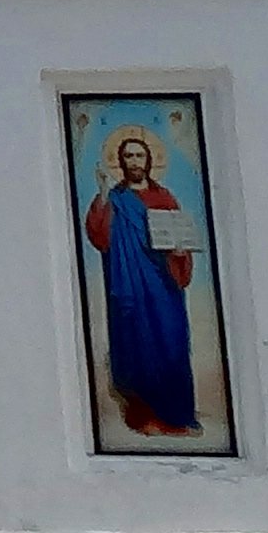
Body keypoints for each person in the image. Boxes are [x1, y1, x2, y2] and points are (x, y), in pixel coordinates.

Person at [82, 128, 203, 437]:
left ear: (149, 160)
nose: (134, 161)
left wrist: (179, 252)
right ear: (120, 162)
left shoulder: (164, 198)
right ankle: (143, 416)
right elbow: (100, 236)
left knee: (170, 344)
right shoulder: (117, 199)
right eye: (128, 156)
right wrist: (103, 194)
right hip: (131, 289)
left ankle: (177, 416)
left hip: (164, 287)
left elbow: (180, 236)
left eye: (139, 155)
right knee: (138, 347)